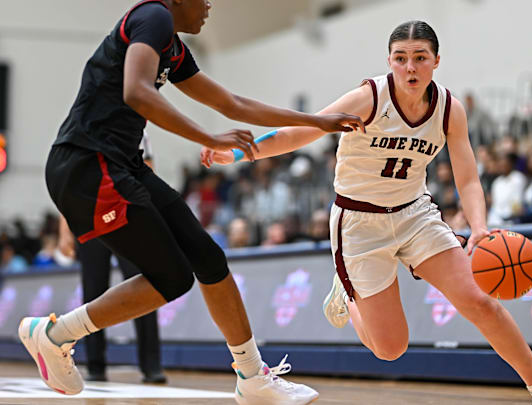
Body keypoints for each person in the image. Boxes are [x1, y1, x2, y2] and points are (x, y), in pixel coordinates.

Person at [202, 20, 532, 405]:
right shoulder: (367, 100)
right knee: (391, 348)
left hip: (415, 214)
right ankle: (346, 294)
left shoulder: (450, 109)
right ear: (389, 61)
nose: (410, 67)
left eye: (419, 58)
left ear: (435, 61)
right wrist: (235, 153)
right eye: (401, 59)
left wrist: (479, 228)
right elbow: (298, 132)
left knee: (480, 301)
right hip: (359, 223)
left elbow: (466, 178)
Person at [18, 1, 362, 404]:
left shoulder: (174, 48)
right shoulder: (153, 17)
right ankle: (54, 335)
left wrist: (316, 122)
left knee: (208, 257)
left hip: (121, 163)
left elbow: (234, 105)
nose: (210, 5)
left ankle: (252, 378)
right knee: (173, 277)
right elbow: (137, 91)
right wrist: (208, 138)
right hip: (86, 164)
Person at [57, 130, 166, 384]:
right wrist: (64, 228)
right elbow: (67, 182)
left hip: (128, 220)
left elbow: (148, 169)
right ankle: (95, 365)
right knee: (93, 292)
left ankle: (151, 365)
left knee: (145, 290)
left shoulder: (136, 127)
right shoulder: (80, 127)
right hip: (91, 219)